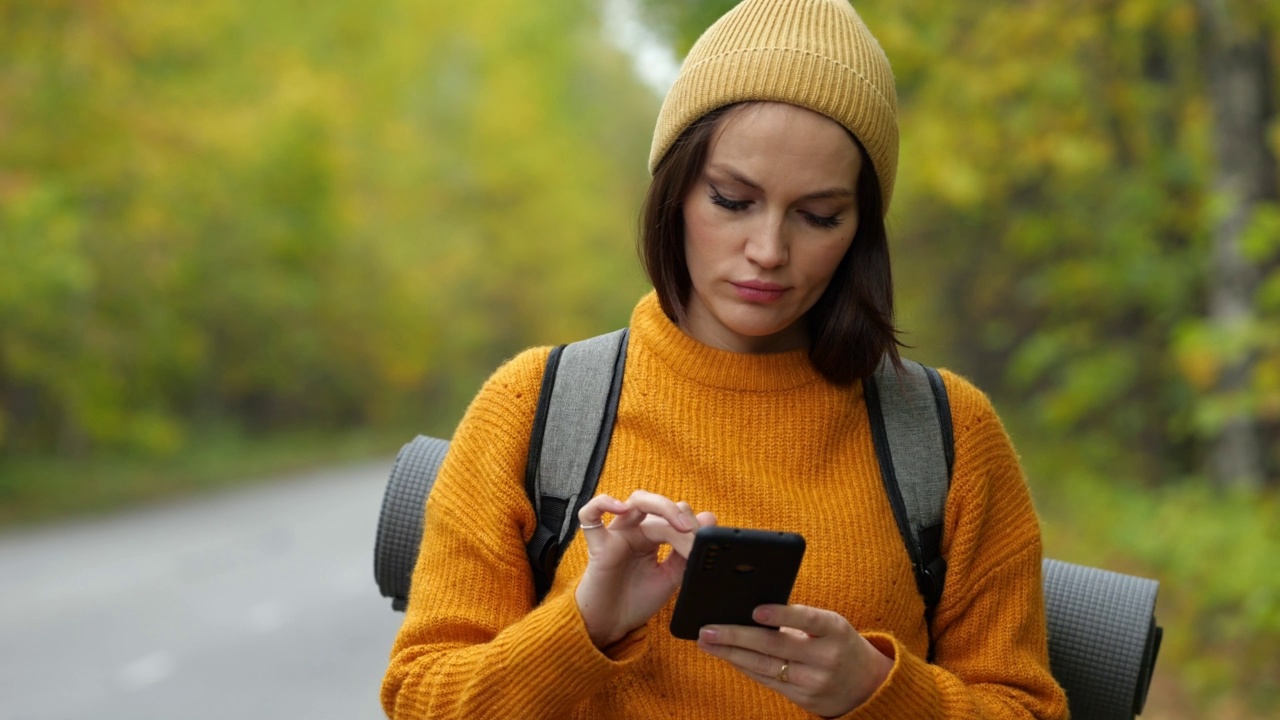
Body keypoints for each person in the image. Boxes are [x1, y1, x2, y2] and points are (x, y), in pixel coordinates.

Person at [382, 0, 1069, 717]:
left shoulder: (946, 433)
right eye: (732, 200)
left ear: (862, 229)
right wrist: (586, 624)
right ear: (674, 191)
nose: (769, 251)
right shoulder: (534, 408)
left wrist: (879, 692)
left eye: (819, 216)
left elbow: (1029, 708)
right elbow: (421, 699)